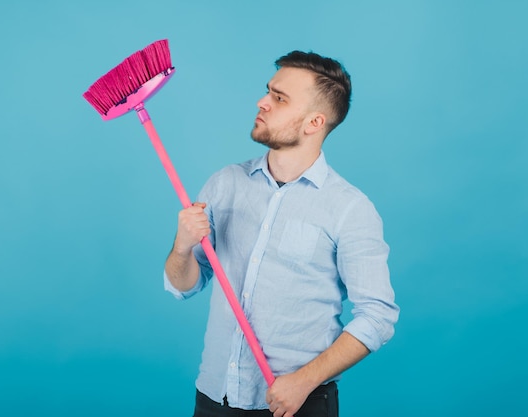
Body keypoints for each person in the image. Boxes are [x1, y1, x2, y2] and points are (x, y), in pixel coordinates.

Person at [164, 50, 399, 417]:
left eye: (279, 98)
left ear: (313, 122)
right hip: (214, 398)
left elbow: (377, 317)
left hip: (296, 404)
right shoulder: (225, 183)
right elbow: (184, 286)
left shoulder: (350, 208)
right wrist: (181, 249)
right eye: (268, 91)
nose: (261, 102)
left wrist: (305, 380)